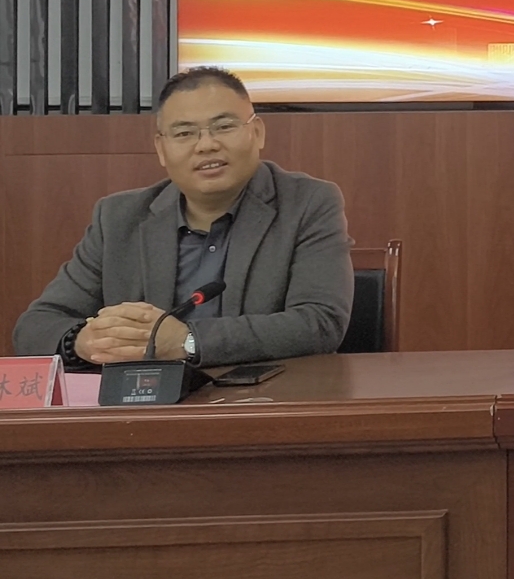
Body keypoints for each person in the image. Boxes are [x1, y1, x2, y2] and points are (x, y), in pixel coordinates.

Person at [13, 67, 353, 367]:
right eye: (184, 133)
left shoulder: (307, 203)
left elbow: (319, 323)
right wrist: (85, 341)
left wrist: (187, 341)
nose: (206, 145)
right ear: (161, 149)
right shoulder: (118, 218)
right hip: (147, 406)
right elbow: (35, 326)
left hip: (267, 401)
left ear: (257, 132)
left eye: (223, 126)